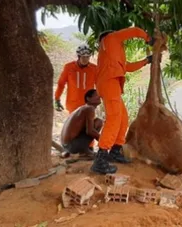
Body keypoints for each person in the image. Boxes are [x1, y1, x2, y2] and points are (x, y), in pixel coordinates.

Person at [91, 27, 154, 174]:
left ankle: (115, 150)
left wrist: (146, 61)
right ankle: (100, 159)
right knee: (114, 118)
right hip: (109, 83)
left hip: (111, 84)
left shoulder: (111, 56)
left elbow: (127, 67)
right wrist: (148, 38)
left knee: (123, 119)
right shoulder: (110, 38)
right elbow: (134, 31)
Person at [55, 44, 98, 114]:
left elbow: (99, 85)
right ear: (79, 56)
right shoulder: (69, 67)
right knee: (73, 124)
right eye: (83, 57)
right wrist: (57, 98)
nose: (85, 59)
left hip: (88, 104)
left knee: (88, 124)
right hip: (73, 104)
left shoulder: (94, 69)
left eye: (87, 57)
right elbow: (61, 83)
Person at [60, 89, 103, 157]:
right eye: (96, 95)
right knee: (99, 122)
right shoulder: (90, 108)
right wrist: (105, 142)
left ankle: (82, 150)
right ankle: (84, 151)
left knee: (96, 122)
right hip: (72, 146)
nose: (99, 96)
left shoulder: (83, 108)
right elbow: (90, 131)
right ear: (88, 99)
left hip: (66, 145)